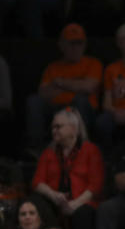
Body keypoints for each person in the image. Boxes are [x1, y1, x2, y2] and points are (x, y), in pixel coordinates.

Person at [29, 108, 103, 229]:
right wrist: (54, 195)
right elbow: (37, 182)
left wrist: (74, 204)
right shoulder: (49, 152)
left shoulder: (90, 150)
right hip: (56, 201)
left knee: (83, 213)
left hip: (82, 203)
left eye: (58, 127)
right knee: (34, 203)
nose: (54, 130)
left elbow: (96, 185)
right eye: (52, 127)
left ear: (73, 129)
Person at [25, 23, 101, 151]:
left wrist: (59, 83)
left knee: (80, 100)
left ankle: (79, 146)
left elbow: (88, 87)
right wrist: (76, 85)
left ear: (85, 45)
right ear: (62, 45)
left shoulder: (93, 63)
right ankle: (36, 148)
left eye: (79, 43)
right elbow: (43, 93)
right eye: (71, 43)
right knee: (34, 101)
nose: (75, 47)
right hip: (56, 109)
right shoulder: (53, 67)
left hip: (83, 110)